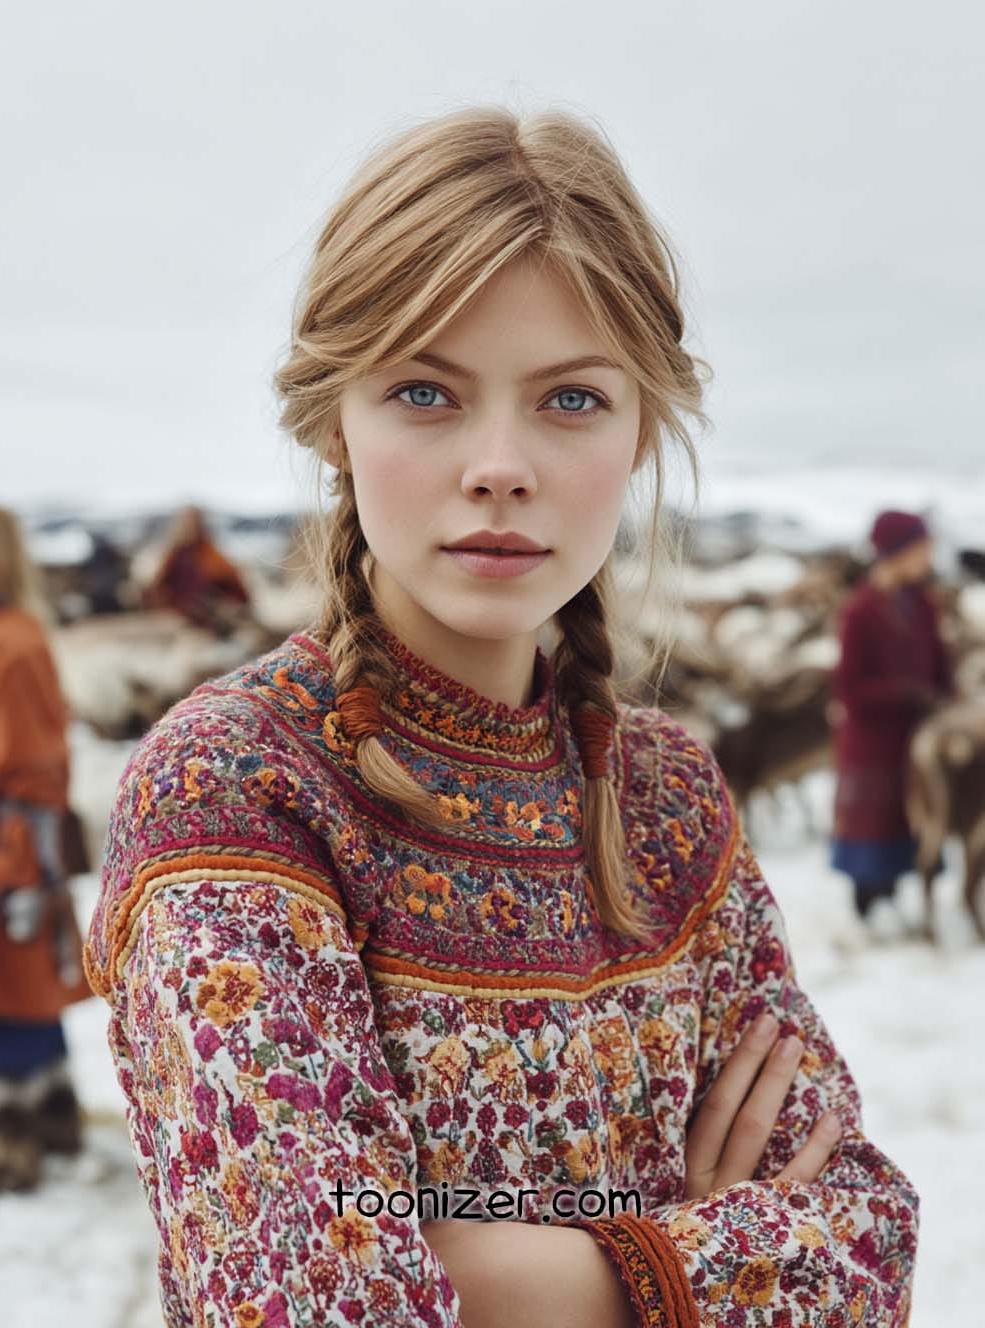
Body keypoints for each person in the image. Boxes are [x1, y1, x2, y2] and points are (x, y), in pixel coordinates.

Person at [83, 108, 918, 1327]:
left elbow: (862, 1243)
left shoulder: (667, 796)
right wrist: (695, 1263)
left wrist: (486, 1265)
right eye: (425, 389)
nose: (499, 463)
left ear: (640, 431)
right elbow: (309, 1298)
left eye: (570, 399)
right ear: (335, 419)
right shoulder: (238, 786)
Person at [0, 504, 92, 1198]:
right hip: (8, 834)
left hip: (7, 840)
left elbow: (29, 763)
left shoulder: (11, 643)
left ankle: (8, 1143)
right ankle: (53, 1118)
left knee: (7, 980)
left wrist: (17, 856)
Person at [831, 510, 954, 925]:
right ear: (898, 552)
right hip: (871, 743)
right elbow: (849, 688)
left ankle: (895, 897)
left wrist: (946, 696)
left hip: (914, 738)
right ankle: (867, 908)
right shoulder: (860, 611)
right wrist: (906, 693)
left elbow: (941, 661)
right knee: (873, 825)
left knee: (910, 820)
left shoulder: (922, 603)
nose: (928, 557)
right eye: (922, 548)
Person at [142, 504, 252, 633]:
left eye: (194, 522)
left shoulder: (210, 552)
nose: (190, 526)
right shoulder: (175, 553)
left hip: (211, 610)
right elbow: (157, 585)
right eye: (187, 522)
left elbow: (236, 588)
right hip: (185, 611)